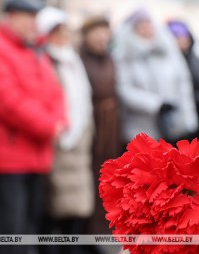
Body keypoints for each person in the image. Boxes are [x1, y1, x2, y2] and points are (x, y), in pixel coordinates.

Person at [0, 1, 65, 254]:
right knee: (12, 235)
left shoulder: (33, 50)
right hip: (8, 157)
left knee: (30, 229)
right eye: (27, 17)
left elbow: (55, 91)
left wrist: (60, 121)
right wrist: (48, 125)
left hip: (36, 153)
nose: (33, 23)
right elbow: (5, 101)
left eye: (35, 17)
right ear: (10, 17)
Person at [37, 6, 95, 254]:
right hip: (58, 141)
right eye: (57, 31)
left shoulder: (72, 59)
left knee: (76, 205)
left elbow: (82, 98)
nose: (63, 36)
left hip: (79, 140)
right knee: (55, 203)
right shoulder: (45, 60)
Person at [114, 8, 198, 146]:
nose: (146, 29)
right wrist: (156, 104)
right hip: (143, 128)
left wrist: (189, 121)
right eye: (141, 26)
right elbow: (124, 89)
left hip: (173, 124)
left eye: (148, 24)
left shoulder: (168, 51)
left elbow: (183, 83)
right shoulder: (125, 57)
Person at [80, 16, 121, 237]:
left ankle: (101, 229)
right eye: (96, 31)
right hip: (91, 121)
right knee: (90, 176)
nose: (101, 36)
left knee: (107, 176)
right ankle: (86, 233)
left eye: (104, 31)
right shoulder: (80, 59)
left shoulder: (110, 58)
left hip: (111, 124)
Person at [167, 20, 199, 139]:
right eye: (178, 37)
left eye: (184, 36)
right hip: (175, 119)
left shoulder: (198, 61)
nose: (183, 40)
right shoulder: (166, 64)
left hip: (198, 115)